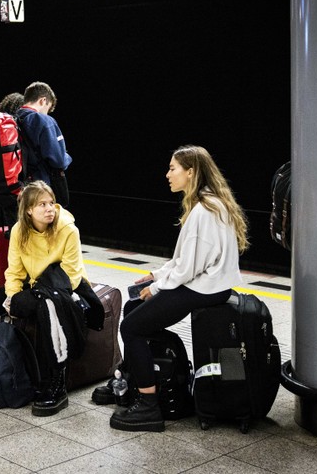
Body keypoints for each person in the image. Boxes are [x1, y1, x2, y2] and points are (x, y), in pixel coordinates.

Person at [107, 145, 249, 432]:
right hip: (206, 284)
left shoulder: (205, 211)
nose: (168, 174)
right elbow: (185, 260)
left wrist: (157, 288)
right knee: (136, 308)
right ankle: (134, 377)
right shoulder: (207, 203)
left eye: (173, 168)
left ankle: (148, 406)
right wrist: (155, 275)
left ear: (191, 172)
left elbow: (188, 269)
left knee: (132, 328)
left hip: (205, 288)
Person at [0, 180, 88, 417]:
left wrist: (38, 292)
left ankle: (57, 383)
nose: (50, 208)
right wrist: (11, 297)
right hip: (29, 286)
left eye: (51, 202)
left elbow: (72, 275)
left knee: (44, 307)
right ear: (29, 209)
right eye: (42, 204)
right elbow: (14, 272)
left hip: (61, 289)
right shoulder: (20, 230)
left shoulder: (68, 230)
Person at [0, 92, 25, 285]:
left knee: (8, 232)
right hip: (15, 190)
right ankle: (11, 277)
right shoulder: (14, 128)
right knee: (17, 234)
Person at [15, 82, 72, 206]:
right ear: (43, 100)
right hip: (40, 187)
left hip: (18, 187)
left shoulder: (12, 119)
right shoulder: (44, 121)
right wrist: (67, 157)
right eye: (47, 108)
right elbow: (59, 160)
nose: (46, 113)